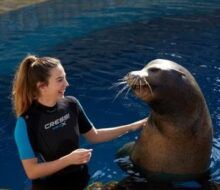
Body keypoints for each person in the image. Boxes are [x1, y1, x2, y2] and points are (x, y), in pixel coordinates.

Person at [12, 55, 146, 190]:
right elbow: (32, 172)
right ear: (42, 86)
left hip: (79, 179)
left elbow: (95, 135)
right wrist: (68, 160)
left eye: (65, 77)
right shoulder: (26, 122)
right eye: (60, 80)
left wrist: (133, 126)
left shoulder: (71, 104)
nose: (67, 84)